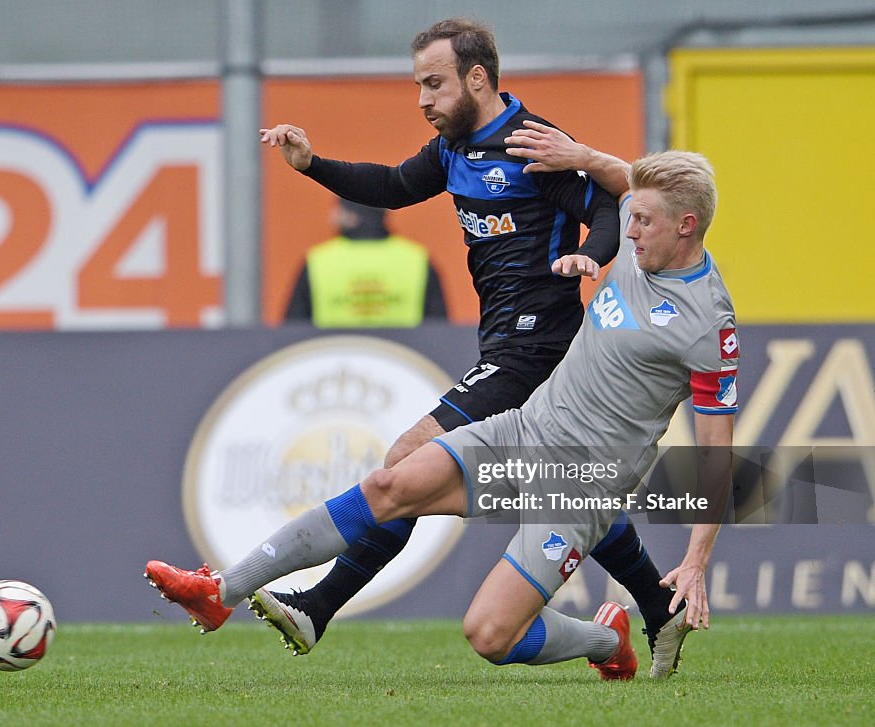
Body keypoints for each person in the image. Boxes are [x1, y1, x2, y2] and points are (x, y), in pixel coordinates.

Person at [147, 147, 736, 680]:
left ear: (686, 226)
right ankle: (223, 589)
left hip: (582, 482)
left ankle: (607, 638)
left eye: (642, 221)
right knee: (388, 484)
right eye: (630, 217)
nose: (626, 230)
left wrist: (695, 562)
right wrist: (580, 154)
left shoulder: (707, 324)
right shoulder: (645, 230)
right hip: (525, 429)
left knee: (489, 635)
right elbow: (621, 179)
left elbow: (715, 451)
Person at [255, 17, 691, 677]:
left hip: (540, 350)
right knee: (567, 488)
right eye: (419, 85)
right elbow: (392, 186)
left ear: (476, 78)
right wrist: (313, 165)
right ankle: (658, 607)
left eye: (433, 83)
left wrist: (589, 255)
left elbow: (608, 204)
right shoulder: (455, 150)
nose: (423, 99)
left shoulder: (534, 143)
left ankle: (319, 604)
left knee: (406, 460)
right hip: (507, 346)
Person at [284, 197, 448, 327]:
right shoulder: (417, 259)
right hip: (404, 362)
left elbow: (293, 328)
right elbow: (440, 327)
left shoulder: (317, 260)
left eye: (337, 210)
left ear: (351, 216)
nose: (331, 217)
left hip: (336, 362)